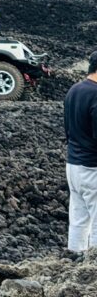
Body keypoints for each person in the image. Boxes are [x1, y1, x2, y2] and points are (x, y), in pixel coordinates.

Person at [65, 50, 97, 252]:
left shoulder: (74, 90)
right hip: (92, 168)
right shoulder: (96, 95)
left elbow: (68, 128)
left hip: (73, 165)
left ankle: (74, 258)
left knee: (78, 218)